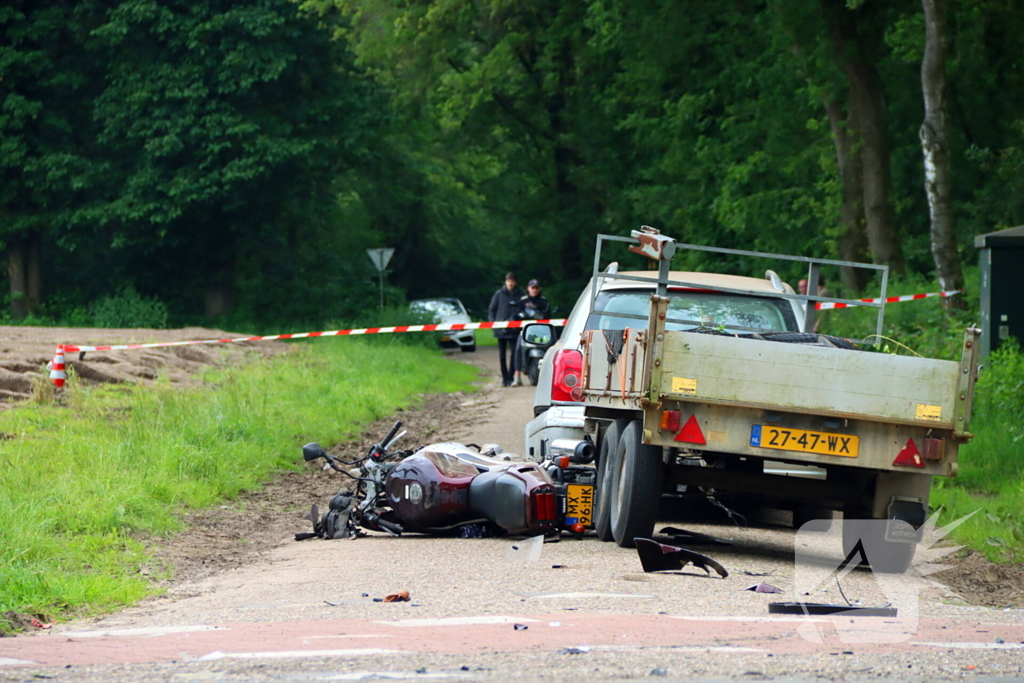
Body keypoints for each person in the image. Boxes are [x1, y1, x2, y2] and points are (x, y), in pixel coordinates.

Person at [488, 272, 525, 387]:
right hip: (501, 330)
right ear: (505, 282)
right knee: (502, 355)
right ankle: (505, 379)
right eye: (509, 281)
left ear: (516, 282)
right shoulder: (498, 294)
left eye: (512, 281)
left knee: (514, 354)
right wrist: (493, 325)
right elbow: (492, 310)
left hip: (514, 330)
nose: (511, 283)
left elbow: (525, 309)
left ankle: (511, 377)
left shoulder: (521, 295)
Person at [514, 279, 552, 380]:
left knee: (550, 347)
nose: (534, 290)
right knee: (518, 349)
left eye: (536, 288)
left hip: (542, 331)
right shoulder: (523, 300)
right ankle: (517, 376)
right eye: (533, 288)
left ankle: (550, 374)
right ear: (528, 288)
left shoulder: (543, 301)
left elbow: (547, 314)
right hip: (526, 330)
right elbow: (518, 314)